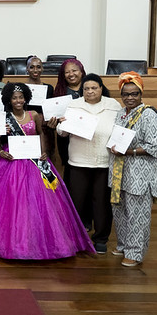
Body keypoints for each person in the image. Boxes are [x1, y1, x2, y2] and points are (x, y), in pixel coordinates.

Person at [0, 83, 94, 260]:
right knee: (12, 202)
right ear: (8, 100)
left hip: (34, 160)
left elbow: (42, 133)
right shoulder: (4, 117)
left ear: (26, 98)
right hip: (11, 161)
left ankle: (40, 241)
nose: (18, 100)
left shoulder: (34, 115)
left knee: (40, 202)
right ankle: (11, 244)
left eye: (21, 97)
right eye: (14, 98)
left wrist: (43, 151)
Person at [50, 73, 121, 254]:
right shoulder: (74, 105)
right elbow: (62, 133)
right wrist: (61, 126)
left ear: (101, 88)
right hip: (79, 161)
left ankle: (101, 239)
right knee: (77, 202)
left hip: (104, 162)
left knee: (102, 203)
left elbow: (121, 129)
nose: (90, 91)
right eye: (86, 89)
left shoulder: (113, 105)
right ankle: (77, 237)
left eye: (94, 88)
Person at [108, 72, 157, 267]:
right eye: (125, 94)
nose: (130, 98)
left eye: (134, 94)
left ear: (141, 94)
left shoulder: (149, 114)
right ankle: (123, 244)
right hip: (119, 172)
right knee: (120, 210)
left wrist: (129, 152)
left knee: (137, 214)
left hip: (139, 174)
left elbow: (155, 147)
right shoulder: (120, 113)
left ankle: (135, 252)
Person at [52, 58, 86, 176]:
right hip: (66, 139)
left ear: (81, 71)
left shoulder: (90, 89)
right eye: (67, 72)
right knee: (70, 171)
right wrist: (54, 123)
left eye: (74, 70)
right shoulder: (59, 93)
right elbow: (54, 120)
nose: (71, 74)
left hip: (88, 137)